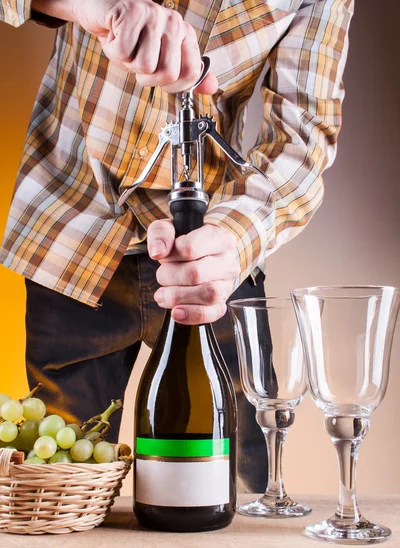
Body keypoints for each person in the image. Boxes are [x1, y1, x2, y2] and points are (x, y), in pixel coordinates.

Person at [0, 0, 354, 491]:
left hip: (210, 256)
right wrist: (97, 7)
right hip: (72, 234)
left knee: (248, 497)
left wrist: (232, 240)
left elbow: (303, 137)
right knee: (62, 497)